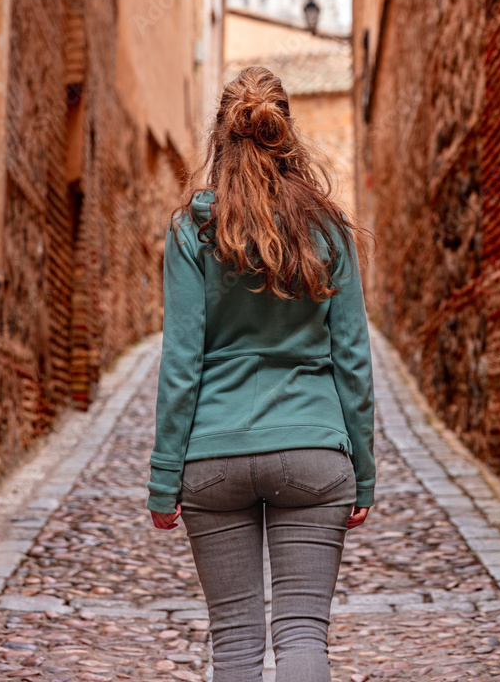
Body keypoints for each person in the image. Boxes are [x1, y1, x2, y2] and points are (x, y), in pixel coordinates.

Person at [147, 65, 375, 682]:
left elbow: (181, 360)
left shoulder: (192, 229)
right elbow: (351, 357)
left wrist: (164, 477)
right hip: (313, 454)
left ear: (220, 137)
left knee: (236, 647)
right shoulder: (328, 227)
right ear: (286, 134)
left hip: (212, 459)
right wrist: (365, 471)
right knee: (303, 637)